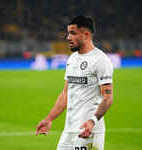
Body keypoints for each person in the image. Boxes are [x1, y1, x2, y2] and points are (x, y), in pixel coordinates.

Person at [36, 15, 114, 150]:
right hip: (69, 130)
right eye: (68, 33)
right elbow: (65, 93)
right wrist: (49, 119)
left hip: (88, 131)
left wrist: (92, 121)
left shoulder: (100, 60)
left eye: (73, 33)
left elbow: (108, 98)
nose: (68, 37)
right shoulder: (72, 59)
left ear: (86, 34)